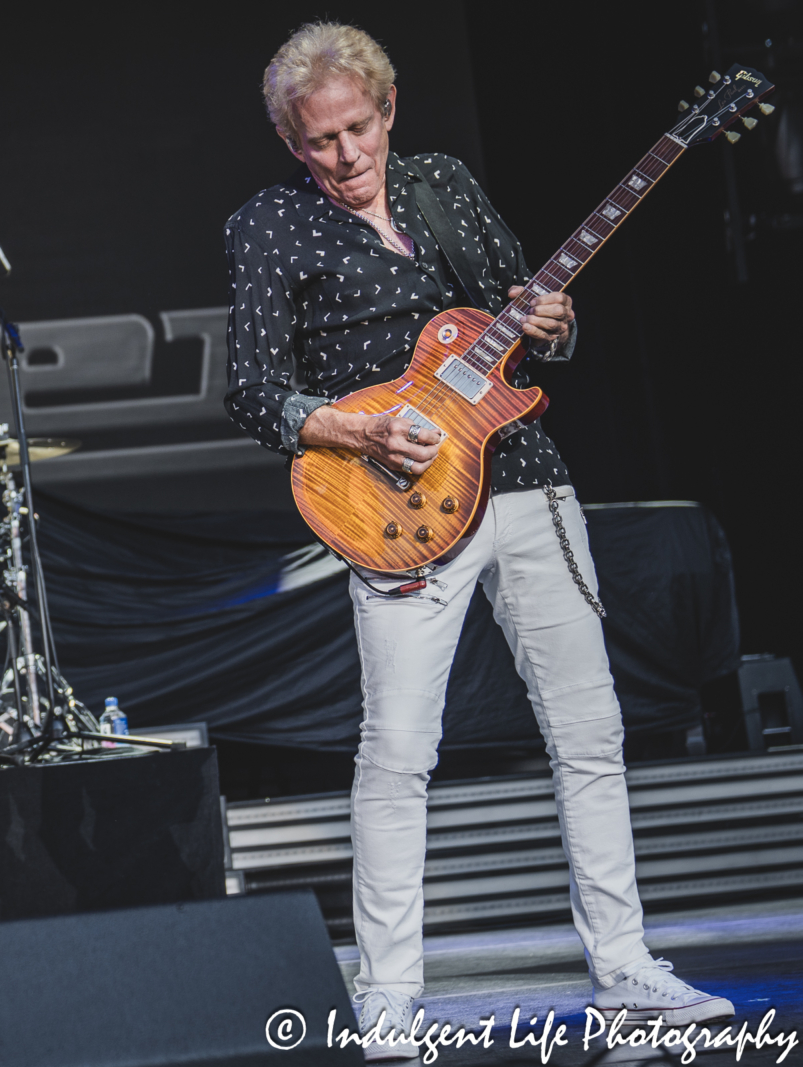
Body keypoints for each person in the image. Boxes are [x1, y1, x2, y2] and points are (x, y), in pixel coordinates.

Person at [224, 23, 733, 1060]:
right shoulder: (267, 227)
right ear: (290, 138)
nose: (344, 156)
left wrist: (553, 320)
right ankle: (390, 993)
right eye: (319, 140)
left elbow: (532, 318)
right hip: (394, 508)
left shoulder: (444, 185)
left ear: (389, 110)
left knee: (587, 732)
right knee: (399, 751)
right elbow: (251, 390)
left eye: (357, 129)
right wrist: (357, 425)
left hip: (525, 484)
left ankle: (625, 963)